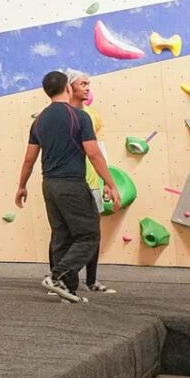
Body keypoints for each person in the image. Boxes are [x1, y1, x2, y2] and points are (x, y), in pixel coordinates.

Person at [15, 69, 120, 304]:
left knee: (61, 237)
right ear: (68, 88)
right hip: (71, 184)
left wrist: (21, 186)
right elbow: (93, 153)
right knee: (89, 236)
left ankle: (68, 291)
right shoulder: (79, 117)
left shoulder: (39, 120)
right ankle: (58, 276)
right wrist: (110, 183)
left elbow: (29, 159)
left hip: (48, 186)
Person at [68, 72, 118, 296]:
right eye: (83, 84)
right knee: (66, 234)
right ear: (70, 87)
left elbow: (97, 151)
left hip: (92, 181)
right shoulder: (61, 115)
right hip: (70, 183)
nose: (87, 88)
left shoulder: (93, 116)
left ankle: (91, 280)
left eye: (89, 84)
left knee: (93, 232)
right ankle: (62, 280)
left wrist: (107, 181)